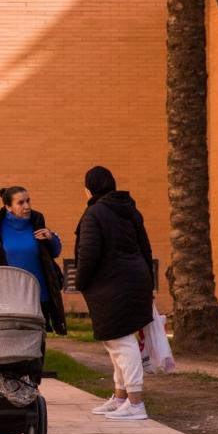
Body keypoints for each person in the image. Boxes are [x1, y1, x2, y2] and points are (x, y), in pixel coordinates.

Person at [74, 166, 156, 421]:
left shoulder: (94, 214)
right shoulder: (130, 210)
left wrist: (80, 282)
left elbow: (88, 253)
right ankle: (121, 397)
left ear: (88, 189)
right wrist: (149, 283)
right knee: (116, 341)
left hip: (110, 284)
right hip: (135, 279)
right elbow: (145, 247)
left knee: (121, 342)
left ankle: (135, 402)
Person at [0, 186, 67, 336]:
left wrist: (51, 237)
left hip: (39, 294)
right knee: (13, 338)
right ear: (8, 207)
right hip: (10, 294)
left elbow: (54, 253)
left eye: (28, 201)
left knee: (37, 338)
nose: (27, 206)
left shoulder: (37, 221)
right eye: (20, 203)